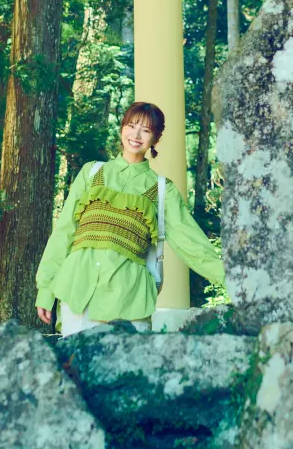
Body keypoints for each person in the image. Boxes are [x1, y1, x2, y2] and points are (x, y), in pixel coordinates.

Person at [35, 101, 224, 335]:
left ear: (155, 139)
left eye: (145, 130)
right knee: (74, 368)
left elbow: (194, 246)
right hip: (77, 291)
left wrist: (236, 286)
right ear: (122, 128)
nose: (136, 135)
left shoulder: (163, 190)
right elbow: (64, 232)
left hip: (128, 299)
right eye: (131, 125)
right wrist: (45, 289)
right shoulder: (91, 173)